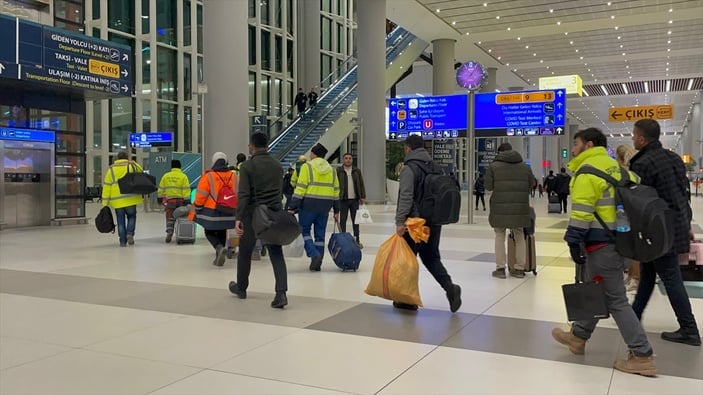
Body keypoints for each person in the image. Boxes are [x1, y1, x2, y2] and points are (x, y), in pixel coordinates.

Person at [552, 127, 656, 376]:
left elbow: (581, 213)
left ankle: (642, 354)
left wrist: (573, 241)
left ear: (588, 145)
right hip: (621, 243)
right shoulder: (619, 170)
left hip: (600, 246)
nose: (573, 149)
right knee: (595, 291)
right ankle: (578, 337)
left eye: (575, 144)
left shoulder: (586, 173)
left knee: (615, 300)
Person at [629, 119, 701, 346]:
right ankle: (633, 317)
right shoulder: (673, 159)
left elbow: (640, 203)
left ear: (642, 138)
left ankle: (689, 329)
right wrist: (686, 225)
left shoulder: (643, 163)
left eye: (634, 135)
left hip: (657, 230)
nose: (632, 139)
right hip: (675, 224)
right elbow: (682, 195)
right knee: (649, 272)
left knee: (670, 277)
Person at [394, 135, 462, 313]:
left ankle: (408, 300)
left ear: (408, 148)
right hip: (433, 219)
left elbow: (406, 196)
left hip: (415, 223)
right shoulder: (435, 167)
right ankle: (450, 288)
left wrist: (400, 222)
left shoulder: (409, 168)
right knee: (431, 257)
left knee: (408, 259)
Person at [228, 132, 289, 309]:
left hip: (252, 214)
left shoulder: (247, 166)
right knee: (276, 252)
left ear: (251, 146)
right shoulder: (278, 166)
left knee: (245, 252)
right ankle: (281, 293)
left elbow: (244, 194)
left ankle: (241, 288)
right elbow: (279, 193)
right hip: (273, 213)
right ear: (267, 146)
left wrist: (238, 217)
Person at [485, 143, 536, 279]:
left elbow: (488, 186)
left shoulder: (493, 167)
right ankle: (519, 269)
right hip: (519, 206)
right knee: (519, 236)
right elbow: (532, 184)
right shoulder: (525, 167)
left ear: (500, 152)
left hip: (499, 207)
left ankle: (500, 269)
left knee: (499, 235)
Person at [288, 143, 340, 271]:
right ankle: (318, 261)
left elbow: (300, 188)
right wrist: (337, 209)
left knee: (304, 230)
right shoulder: (332, 169)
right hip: (325, 205)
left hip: (308, 204)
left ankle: (314, 254)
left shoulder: (307, 167)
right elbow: (336, 190)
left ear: (314, 154)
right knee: (320, 234)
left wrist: (293, 206)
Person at [189, 152, 237, 267]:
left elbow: (201, 195)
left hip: (212, 212)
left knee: (209, 231)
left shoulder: (209, 176)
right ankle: (219, 253)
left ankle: (219, 247)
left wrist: (198, 207)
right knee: (222, 229)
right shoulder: (234, 176)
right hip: (229, 211)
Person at [101, 151, 144, 247]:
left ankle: (122, 241)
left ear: (117, 158)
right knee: (132, 217)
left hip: (117, 201)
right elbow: (141, 172)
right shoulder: (132, 166)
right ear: (127, 157)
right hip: (131, 198)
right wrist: (133, 163)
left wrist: (105, 202)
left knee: (120, 221)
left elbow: (107, 186)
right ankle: (130, 233)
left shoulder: (111, 169)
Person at [615, 144, 640, 292]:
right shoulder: (634, 173)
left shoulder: (620, 173)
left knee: (630, 247)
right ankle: (632, 275)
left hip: (623, 215)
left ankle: (635, 277)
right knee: (634, 246)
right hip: (635, 214)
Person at [336, 153, 366, 248]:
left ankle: (357, 240)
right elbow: (336, 184)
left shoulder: (356, 171)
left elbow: (361, 183)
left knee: (355, 221)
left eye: (350, 158)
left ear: (352, 160)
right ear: (343, 160)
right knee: (343, 221)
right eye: (346, 158)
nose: (348, 160)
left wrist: (362, 196)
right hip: (343, 199)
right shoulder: (339, 171)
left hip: (355, 200)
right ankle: (343, 241)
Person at [157, 159, 191, 243]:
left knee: (170, 217)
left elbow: (161, 188)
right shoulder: (183, 176)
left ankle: (169, 232)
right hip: (181, 201)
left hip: (170, 201)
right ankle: (182, 234)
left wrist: (159, 198)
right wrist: (187, 201)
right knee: (182, 217)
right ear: (180, 167)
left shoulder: (166, 176)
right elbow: (186, 189)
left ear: (171, 167)